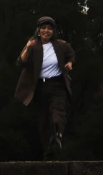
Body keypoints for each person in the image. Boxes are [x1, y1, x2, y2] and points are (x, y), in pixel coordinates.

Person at [15, 16, 75, 160]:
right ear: (38, 30)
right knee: (43, 121)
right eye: (43, 28)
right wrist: (27, 48)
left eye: (49, 28)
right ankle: (48, 152)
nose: (46, 31)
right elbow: (20, 62)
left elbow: (71, 54)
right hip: (39, 87)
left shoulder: (60, 44)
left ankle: (58, 136)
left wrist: (70, 63)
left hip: (57, 85)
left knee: (58, 111)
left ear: (53, 31)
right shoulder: (33, 45)